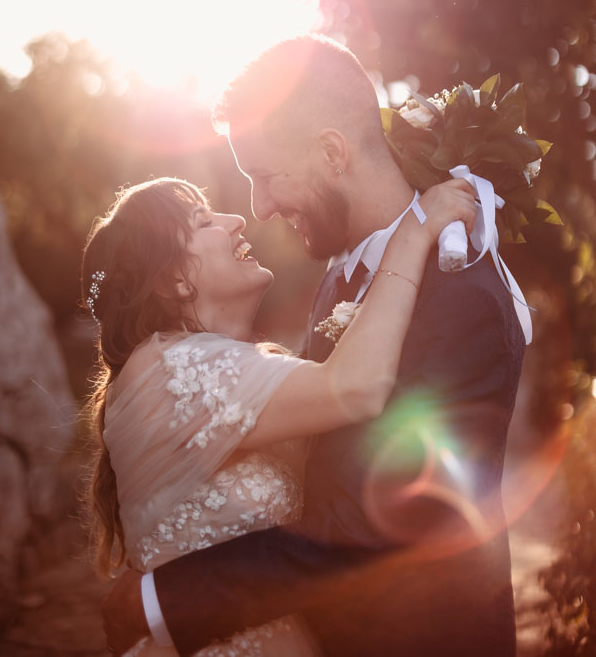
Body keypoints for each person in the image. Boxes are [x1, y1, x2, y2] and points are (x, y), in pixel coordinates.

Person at [101, 35, 526, 657]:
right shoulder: (341, 278)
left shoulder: (459, 295)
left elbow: (374, 527)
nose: (259, 208)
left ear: (332, 152)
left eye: (266, 177)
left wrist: (164, 599)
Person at [84, 172, 476, 656]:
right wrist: (416, 231)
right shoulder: (173, 368)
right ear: (174, 279)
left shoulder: (233, 368)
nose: (236, 220)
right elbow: (355, 387)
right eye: (204, 221)